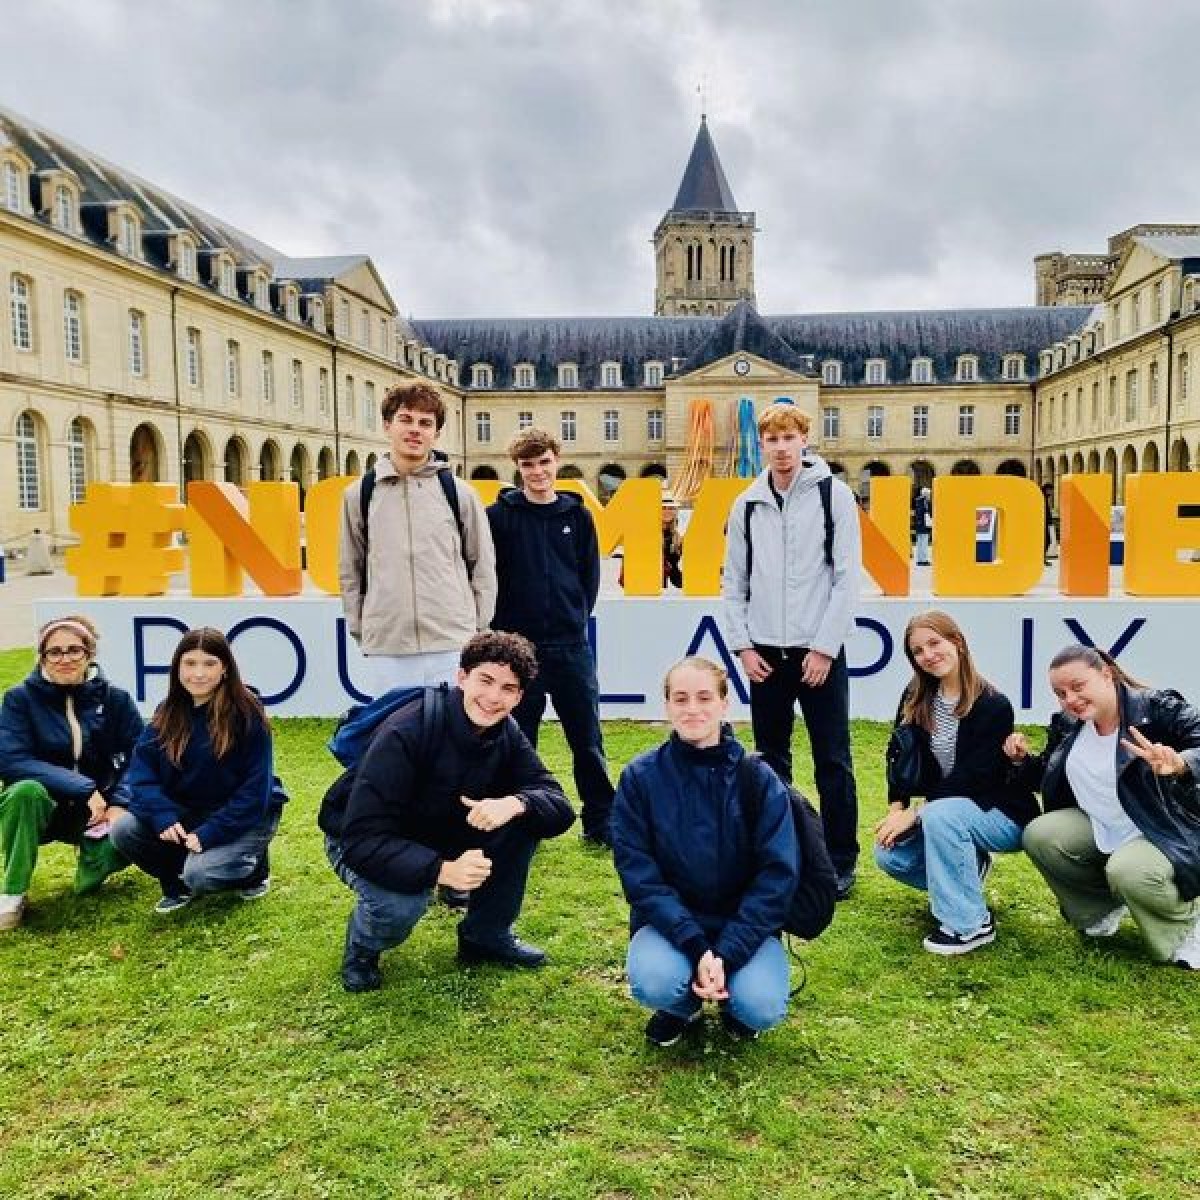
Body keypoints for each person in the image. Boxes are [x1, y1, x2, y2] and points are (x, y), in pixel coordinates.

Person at [319, 631, 575, 992]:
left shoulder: (506, 731)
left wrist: (516, 803)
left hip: (438, 826)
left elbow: (559, 806)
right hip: (361, 837)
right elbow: (362, 839)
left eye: (507, 688)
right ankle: (362, 949)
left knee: (524, 819)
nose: (492, 698)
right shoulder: (405, 731)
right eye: (485, 680)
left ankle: (485, 935)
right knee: (401, 905)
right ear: (461, 677)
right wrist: (441, 870)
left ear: (518, 698)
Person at [612, 656, 798, 1046]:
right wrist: (696, 946)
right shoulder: (639, 778)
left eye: (703, 697)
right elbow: (639, 877)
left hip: (744, 924)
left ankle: (737, 1005)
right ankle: (682, 1007)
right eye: (680, 699)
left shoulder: (759, 778)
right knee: (656, 981)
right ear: (667, 706)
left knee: (761, 1004)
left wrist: (728, 953)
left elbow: (777, 875)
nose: (692, 708)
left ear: (724, 703)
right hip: (672, 925)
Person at [721, 401, 862, 898]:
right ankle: (780, 854)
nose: (781, 448)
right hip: (764, 654)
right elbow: (733, 582)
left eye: (789, 438)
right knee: (772, 760)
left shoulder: (834, 496)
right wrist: (741, 647)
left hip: (816, 651)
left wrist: (823, 650)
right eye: (772, 440)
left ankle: (842, 858)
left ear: (805, 439)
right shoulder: (746, 503)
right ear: (762, 445)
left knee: (833, 760)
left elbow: (848, 582)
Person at [1006, 644, 1200, 970]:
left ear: (1106, 675)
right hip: (1104, 825)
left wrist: (1181, 764)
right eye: (1061, 692)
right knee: (1040, 835)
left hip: (1166, 828)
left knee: (1128, 870)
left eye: (1078, 687)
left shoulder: (1158, 708)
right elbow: (1046, 774)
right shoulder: (1069, 723)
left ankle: (1185, 930)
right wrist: (1021, 762)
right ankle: (1099, 910)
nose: (1070, 699)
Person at [874, 611, 1039, 955]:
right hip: (946, 812)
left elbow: (973, 778)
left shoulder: (993, 704)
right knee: (890, 854)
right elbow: (899, 754)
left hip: (1000, 812)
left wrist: (918, 812)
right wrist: (897, 811)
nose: (928, 655)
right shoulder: (915, 695)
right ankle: (967, 871)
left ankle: (970, 925)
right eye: (918, 651)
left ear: (958, 643)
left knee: (940, 815)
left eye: (935, 643)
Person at [487, 428, 615, 845]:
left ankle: (600, 820)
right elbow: (490, 578)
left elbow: (588, 578)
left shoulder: (577, 515)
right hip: (517, 651)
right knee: (518, 742)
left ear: (556, 461)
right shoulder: (499, 517)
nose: (538, 471)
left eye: (544, 462)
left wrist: (572, 618)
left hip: (570, 648)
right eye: (528, 464)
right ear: (518, 469)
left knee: (587, 739)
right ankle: (522, 821)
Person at [111, 628, 286, 913]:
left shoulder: (247, 713)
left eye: (209, 663)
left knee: (201, 874)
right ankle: (176, 882)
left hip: (246, 815)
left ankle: (252, 870)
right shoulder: (166, 712)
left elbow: (255, 790)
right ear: (177, 668)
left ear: (225, 668)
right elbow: (141, 773)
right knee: (123, 830)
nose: (199, 674)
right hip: (188, 812)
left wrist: (209, 833)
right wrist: (162, 815)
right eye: (190, 663)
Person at [339, 381, 497, 696]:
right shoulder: (360, 494)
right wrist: (364, 628)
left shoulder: (460, 493)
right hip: (389, 643)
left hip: (452, 641)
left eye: (425, 423)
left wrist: (474, 629)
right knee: (395, 738)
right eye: (406, 419)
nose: (415, 430)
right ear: (387, 425)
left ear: (436, 433)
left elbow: (482, 565)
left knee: (452, 739)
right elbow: (350, 568)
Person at [0, 616, 143, 931]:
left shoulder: (115, 699)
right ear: (43, 657)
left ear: (89, 654)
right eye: (55, 652)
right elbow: (11, 759)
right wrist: (82, 788)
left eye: (74, 650)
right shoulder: (18, 699)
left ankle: (92, 862)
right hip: (45, 807)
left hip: (101, 810)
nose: (65, 659)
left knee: (137, 826)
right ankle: (13, 893)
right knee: (24, 792)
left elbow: (143, 757)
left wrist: (119, 802)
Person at [913, 487, 932, 566]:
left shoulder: (917, 501)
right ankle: (924, 560)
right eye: (929, 494)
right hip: (924, 525)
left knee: (919, 543)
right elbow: (926, 513)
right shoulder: (925, 502)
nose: (929, 496)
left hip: (918, 525)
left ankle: (919, 559)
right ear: (926, 494)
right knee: (924, 543)